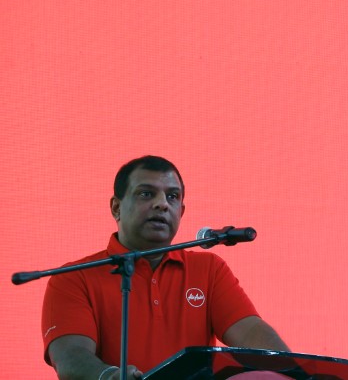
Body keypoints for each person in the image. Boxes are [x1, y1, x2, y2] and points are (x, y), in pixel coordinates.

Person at [41, 156, 289, 380]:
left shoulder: (209, 270)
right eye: (146, 194)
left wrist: (295, 370)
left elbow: (251, 333)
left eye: (172, 196)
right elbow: (70, 356)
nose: (162, 204)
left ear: (181, 211)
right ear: (116, 208)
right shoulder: (73, 278)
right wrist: (108, 376)